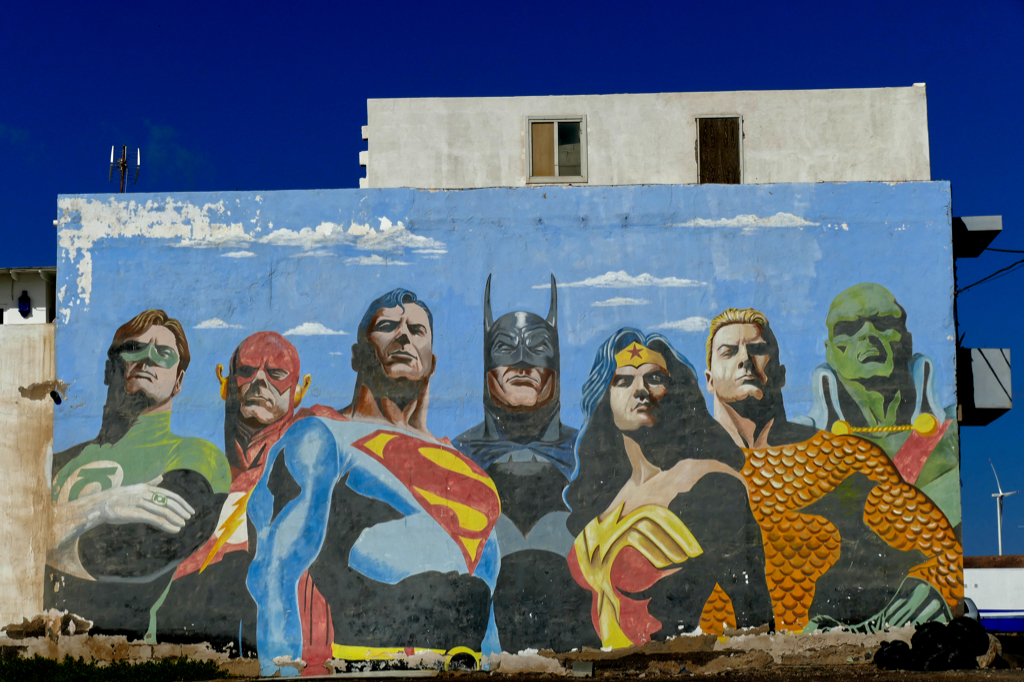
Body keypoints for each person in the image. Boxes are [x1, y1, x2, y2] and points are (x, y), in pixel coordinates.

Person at [247, 289, 501, 676]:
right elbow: (276, 567)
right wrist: (278, 671)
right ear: (357, 355)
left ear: (431, 362)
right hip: (355, 661)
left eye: (416, 330)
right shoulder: (323, 437)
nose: (404, 336)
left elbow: (487, 610)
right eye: (388, 326)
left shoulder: (473, 480)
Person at [704, 307, 962, 633]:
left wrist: (922, 599)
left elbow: (938, 550)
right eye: (728, 351)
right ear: (709, 380)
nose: (745, 359)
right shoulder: (685, 476)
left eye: (756, 349)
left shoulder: (845, 459)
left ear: (781, 374)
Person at [565, 329, 771, 647]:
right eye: (623, 381)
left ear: (673, 393)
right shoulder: (602, 503)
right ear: (605, 397)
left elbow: (753, 612)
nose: (640, 391)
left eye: (654, 379)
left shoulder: (710, 485)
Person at [47, 309, 230, 642]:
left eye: (163, 354)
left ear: (179, 380)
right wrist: (102, 508)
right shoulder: (59, 461)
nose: (147, 358)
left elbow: (133, 558)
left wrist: (42, 541)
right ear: (112, 368)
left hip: (120, 650)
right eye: (134, 348)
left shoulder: (200, 458)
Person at [453, 275, 584, 652]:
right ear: (487, 366)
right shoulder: (458, 455)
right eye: (506, 347)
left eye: (537, 347)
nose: (522, 362)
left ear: (555, 367)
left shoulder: (587, 453)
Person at [161, 332, 312, 654]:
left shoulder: (302, 467)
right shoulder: (200, 477)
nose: (259, 381)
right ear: (225, 383)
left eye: (277, 374)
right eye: (246, 371)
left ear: (300, 390)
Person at [799, 283, 960, 526]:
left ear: (907, 342)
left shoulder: (952, 434)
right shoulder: (798, 442)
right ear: (830, 352)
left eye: (884, 323)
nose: (867, 335)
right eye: (848, 329)